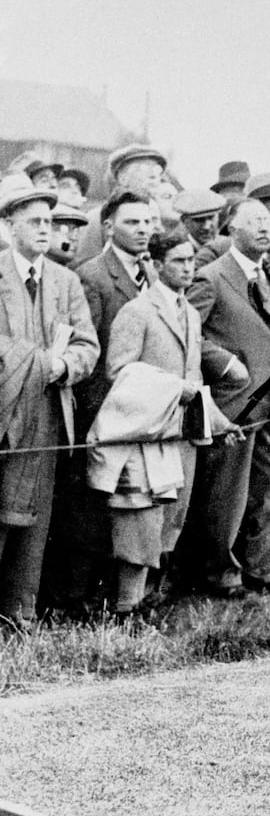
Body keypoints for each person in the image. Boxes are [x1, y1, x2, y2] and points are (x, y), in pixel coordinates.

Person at [93, 231, 230, 613]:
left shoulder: (188, 312)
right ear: (155, 264)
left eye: (191, 261)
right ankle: (125, 607)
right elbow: (118, 372)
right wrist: (173, 390)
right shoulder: (136, 311)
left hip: (181, 437)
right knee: (139, 522)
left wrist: (219, 421)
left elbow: (195, 377)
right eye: (179, 261)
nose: (188, 268)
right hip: (143, 437)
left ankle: (149, 601)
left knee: (171, 521)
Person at [188, 198, 270, 596]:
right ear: (231, 230)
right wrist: (222, 362)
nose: (264, 227)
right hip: (234, 405)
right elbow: (189, 332)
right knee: (227, 496)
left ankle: (262, 567)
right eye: (253, 221)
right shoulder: (211, 277)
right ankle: (220, 574)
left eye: (267, 221)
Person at [46, 189, 156, 611]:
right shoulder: (93, 277)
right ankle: (73, 601)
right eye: (132, 222)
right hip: (105, 415)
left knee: (131, 512)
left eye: (148, 222)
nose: (143, 229)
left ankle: (114, 597)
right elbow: (92, 352)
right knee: (87, 515)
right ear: (108, 227)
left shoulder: (152, 276)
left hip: (143, 418)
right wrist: (99, 420)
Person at [0, 174, 99, 627]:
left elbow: (87, 346)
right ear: (10, 226)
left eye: (50, 222)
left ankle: (19, 611)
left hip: (50, 412)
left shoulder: (65, 282)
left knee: (36, 518)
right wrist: (39, 361)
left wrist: (64, 367)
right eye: (35, 220)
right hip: (5, 413)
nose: (46, 230)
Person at [73, 144, 167, 265]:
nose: (155, 183)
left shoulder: (156, 218)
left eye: (158, 176)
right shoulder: (96, 218)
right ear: (123, 179)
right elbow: (85, 268)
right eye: (150, 176)